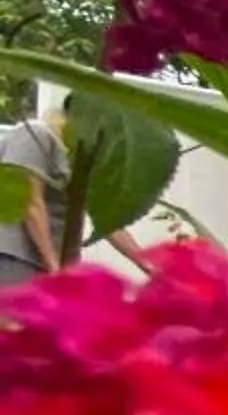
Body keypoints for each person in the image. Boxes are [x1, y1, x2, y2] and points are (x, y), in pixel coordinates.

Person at [0, 104, 154, 290]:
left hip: (44, 257)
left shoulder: (80, 161)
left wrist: (148, 265)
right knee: (12, 316)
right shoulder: (36, 134)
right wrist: (54, 264)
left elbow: (109, 224)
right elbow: (30, 200)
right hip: (12, 251)